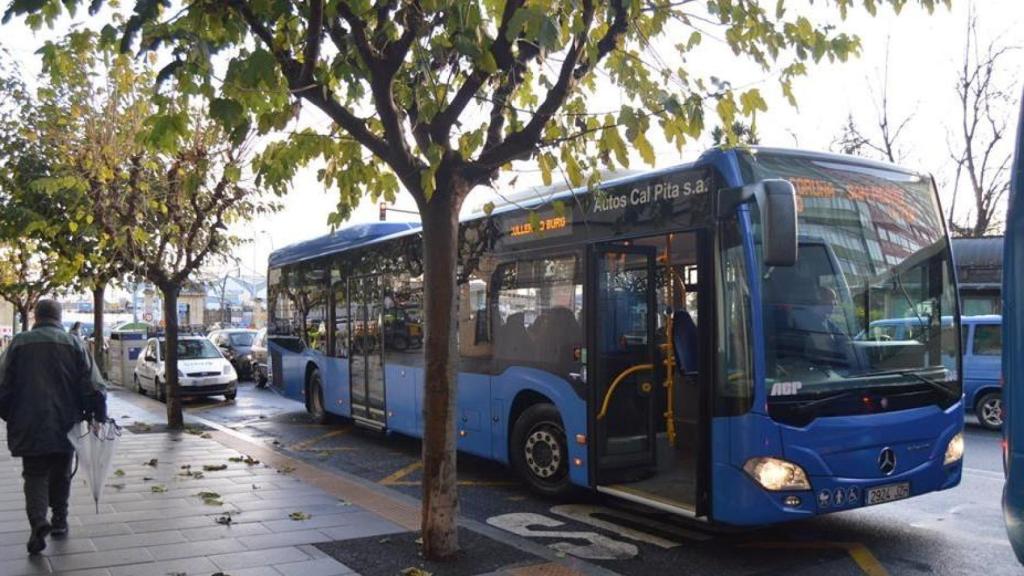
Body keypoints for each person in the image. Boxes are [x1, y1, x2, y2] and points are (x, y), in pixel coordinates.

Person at [0, 299, 107, 555]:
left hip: (28, 421)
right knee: (61, 470)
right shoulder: (74, 344)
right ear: (59, 317)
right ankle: (59, 520)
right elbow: (94, 386)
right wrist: (97, 417)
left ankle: (38, 521)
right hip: (65, 421)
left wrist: (10, 415)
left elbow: (2, 384)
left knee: (34, 474)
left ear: (36, 316)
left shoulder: (18, 343)